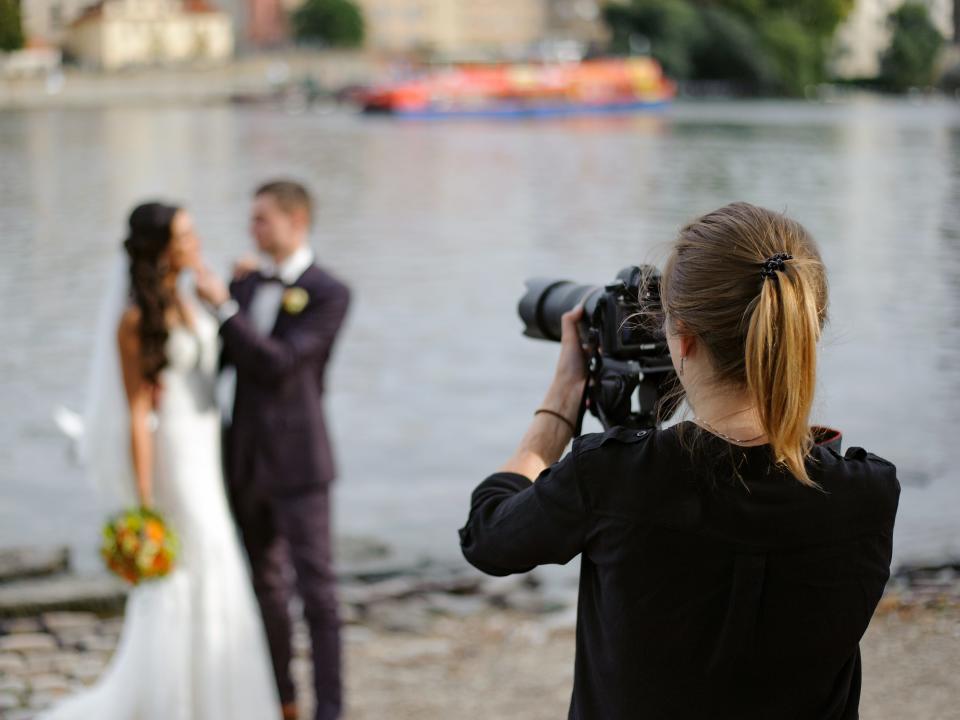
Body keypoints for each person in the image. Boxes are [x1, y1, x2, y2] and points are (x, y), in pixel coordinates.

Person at [459, 202, 900, 720]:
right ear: (807, 328)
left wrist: (561, 402)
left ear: (683, 338)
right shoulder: (868, 494)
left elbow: (487, 537)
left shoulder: (613, 479)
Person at [41, 203, 280, 720]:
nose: (196, 241)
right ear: (162, 248)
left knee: (218, 555)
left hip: (206, 446)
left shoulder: (191, 295)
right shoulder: (134, 319)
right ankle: (175, 700)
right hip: (175, 454)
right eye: (185, 235)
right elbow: (137, 415)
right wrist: (144, 501)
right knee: (191, 561)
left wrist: (231, 294)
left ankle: (219, 692)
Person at [195, 180, 351, 720]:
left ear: (296, 220)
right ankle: (282, 699)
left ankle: (330, 710)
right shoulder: (246, 284)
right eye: (252, 219)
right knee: (263, 586)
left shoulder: (330, 291)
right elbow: (221, 361)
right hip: (242, 460)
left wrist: (222, 309)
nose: (252, 229)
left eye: (262, 219)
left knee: (319, 594)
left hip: (300, 463)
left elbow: (279, 364)